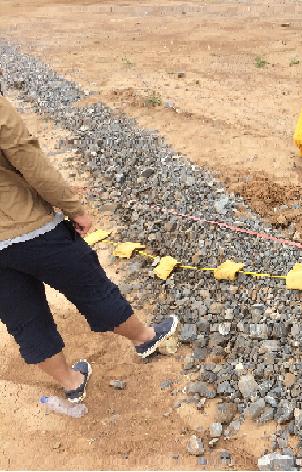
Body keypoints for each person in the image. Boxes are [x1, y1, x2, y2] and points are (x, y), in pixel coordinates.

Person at [0, 91, 178, 404]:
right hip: (28, 227)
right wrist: (73, 208)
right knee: (91, 287)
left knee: (23, 319)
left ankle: (71, 382)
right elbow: (31, 163)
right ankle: (145, 337)